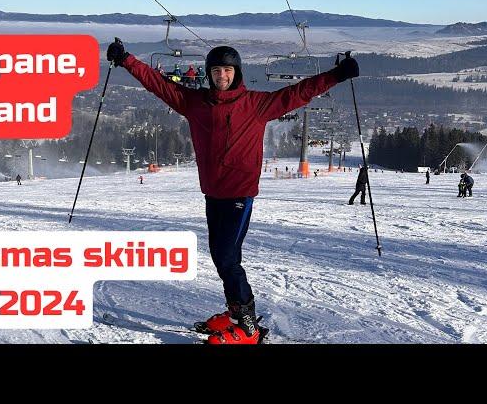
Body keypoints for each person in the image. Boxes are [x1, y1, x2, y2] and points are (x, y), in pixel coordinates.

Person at [107, 38, 358, 344]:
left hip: (239, 195)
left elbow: (299, 92)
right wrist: (126, 60)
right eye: (216, 70)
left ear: (236, 72)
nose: (221, 76)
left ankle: (248, 326)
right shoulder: (194, 103)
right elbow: (158, 84)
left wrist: (337, 74)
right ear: (209, 73)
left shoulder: (256, 105)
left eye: (227, 70)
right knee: (221, 257)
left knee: (227, 258)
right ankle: (236, 312)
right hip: (212, 194)